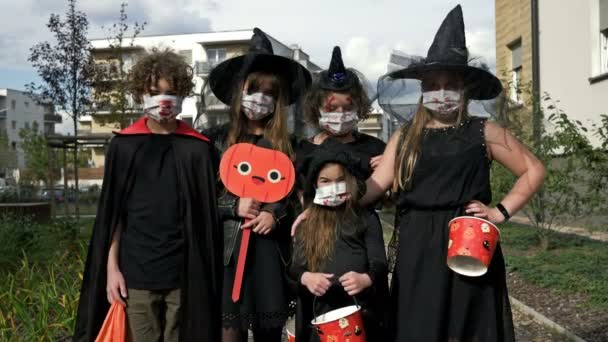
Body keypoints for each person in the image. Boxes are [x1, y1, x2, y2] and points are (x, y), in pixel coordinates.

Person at [74, 49, 223, 341]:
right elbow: (113, 217)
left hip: (184, 275)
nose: (163, 100)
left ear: (182, 96)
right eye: (154, 92)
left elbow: (209, 211)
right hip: (136, 275)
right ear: (141, 93)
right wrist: (111, 269)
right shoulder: (124, 146)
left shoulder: (198, 149)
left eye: (172, 92)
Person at [202, 28, 311, 342]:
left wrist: (273, 215)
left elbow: (299, 198)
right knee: (228, 330)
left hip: (269, 251)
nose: (261, 98)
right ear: (239, 92)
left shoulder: (291, 147)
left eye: (269, 92)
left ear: (278, 100)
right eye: (254, 89)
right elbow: (199, 197)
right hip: (228, 253)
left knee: (268, 330)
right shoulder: (214, 141)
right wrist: (232, 207)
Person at [290, 140, 388, 342]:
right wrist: (307, 277)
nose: (333, 187)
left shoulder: (366, 217)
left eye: (340, 180)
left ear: (350, 181)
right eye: (325, 181)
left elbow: (379, 263)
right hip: (320, 313)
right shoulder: (307, 223)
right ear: (315, 183)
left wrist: (366, 279)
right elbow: (295, 268)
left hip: (362, 313)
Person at [296, 46, 385, 182]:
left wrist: (387, 170)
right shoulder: (301, 151)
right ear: (315, 108)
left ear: (360, 107)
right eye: (331, 108)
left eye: (348, 108)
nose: (341, 114)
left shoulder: (376, 149)